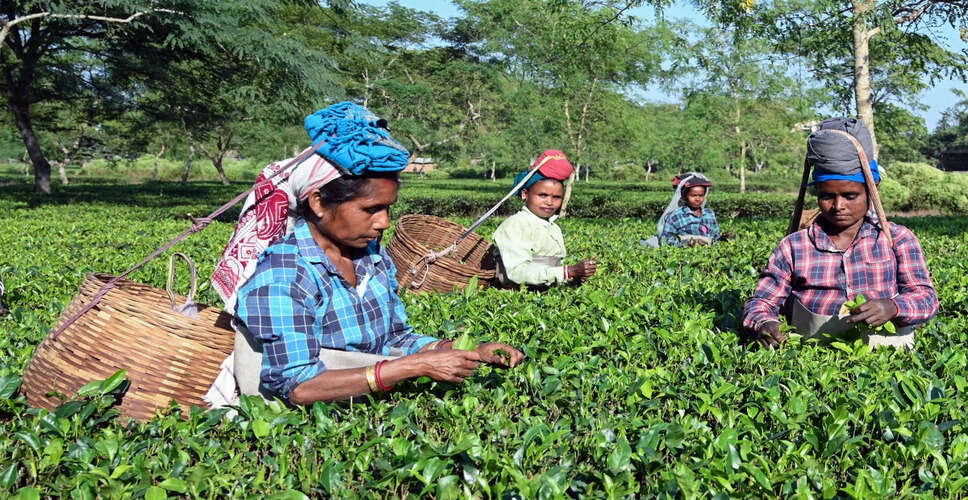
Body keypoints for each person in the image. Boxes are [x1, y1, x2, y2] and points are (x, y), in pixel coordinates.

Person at [206, 102, 523, 406]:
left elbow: (396, 338)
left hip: (363, 410)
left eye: (387, 208)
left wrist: (464, 350)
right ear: (317, 202)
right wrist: (413, 368)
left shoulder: (371, 258)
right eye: (370, 209)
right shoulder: (286, 273)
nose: (384, 222)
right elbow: (299, 386)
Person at [742, 117, 938, 349]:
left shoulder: (897, 239)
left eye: (850, 196)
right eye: (827, 196)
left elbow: (926, 299)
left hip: (885, 359)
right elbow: (762, 301)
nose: (838, 206)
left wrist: (893, 307)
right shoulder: (793, 246)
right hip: (813, 360)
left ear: (870, 192)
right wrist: (764, 323)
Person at [491, 150, 598, 289]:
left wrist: (575, 277)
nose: (549, 202)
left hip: (547, 296)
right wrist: (568, 271)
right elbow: (517, 272)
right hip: (520, 299)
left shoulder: (553, 227)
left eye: (556, 197)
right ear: (525, 194)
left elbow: (553, 270)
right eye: (542, 195)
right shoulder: (515, 225)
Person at [652, 172, 728, 247]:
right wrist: (686, 244)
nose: (697, 199)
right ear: (685, 196)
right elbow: (666, 239)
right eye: (693, 195)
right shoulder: (677, 216)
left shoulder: (709, 214)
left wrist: (724, 238)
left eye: (701, 195)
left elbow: (715, 236)